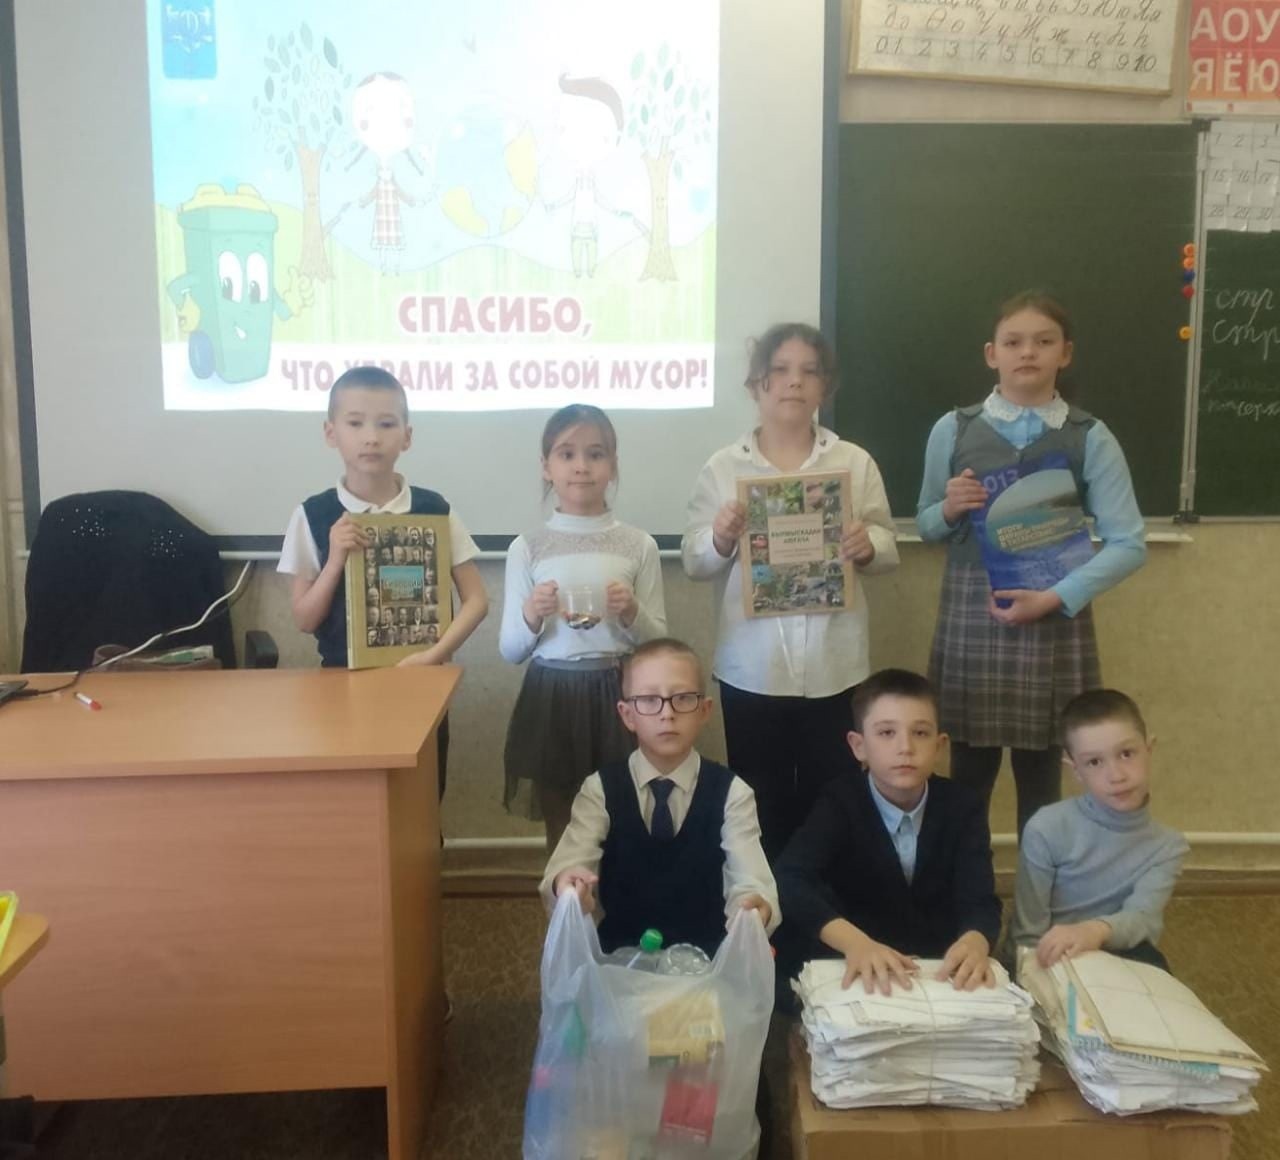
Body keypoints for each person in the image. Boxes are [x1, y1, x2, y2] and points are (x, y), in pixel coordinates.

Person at [916, 291, 1147, 837]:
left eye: (1044, 342)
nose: (1028, 352)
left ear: (1065, 354)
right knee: (968, 773)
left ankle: (1037, 887)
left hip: (1053, 613)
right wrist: (949, 508)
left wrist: (1055, 597)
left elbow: (1129, 543)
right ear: (991, 353)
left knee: (1042, 778)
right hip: (974, 612)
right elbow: (925, 525)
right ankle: (968, 886)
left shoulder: (1091, 436)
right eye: (1014, 341)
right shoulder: (953, 429)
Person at [682, 322, 899, 858]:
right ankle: (767, 906)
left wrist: (866, 545)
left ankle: (824, 906)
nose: (793, 382)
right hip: (752, 669)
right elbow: (693, 561)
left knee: (835, 800)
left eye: (809, 371)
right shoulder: (723, 467)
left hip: (836, 665)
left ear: (826, 386)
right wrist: (720, 538)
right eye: (778, 370)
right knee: (760, 804)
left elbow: (888, 547)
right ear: (755, 385)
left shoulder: (853, 463)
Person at [278, 365, 489, 799]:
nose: (371, 437)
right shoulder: (312, 514)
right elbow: (303, 618)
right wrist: (335, 559)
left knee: (421, 800)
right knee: (352, 801)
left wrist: (434, 656)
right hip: (342, 685)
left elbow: (477, 600)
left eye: (386, 424)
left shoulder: (435, 509)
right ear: (331, 433)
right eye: (355, 423)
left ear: (407, 437)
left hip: (421, 684)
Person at [541, 637, 778, 955]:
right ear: (627, 714)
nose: (667, 713)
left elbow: (750, 877)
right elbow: (569, 864)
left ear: (704, 710)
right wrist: (568, 886)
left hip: (706, 959)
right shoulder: (599, 789)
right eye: (649, 700)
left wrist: (753, 908)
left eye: (682, 698)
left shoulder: (733, 793)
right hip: (618, 958)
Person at [775, 668, 1001, 996]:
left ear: (939, 746)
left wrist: (975, 940)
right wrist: (855, 943)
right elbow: (791, 879)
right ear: (859, 746)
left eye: (920, 733)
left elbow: (981, 899)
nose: (905, 747)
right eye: (886, 733)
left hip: (935, 970)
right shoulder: (840, 801)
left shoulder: (963, 806)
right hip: (853, 963)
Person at [501, 404, 667, 849]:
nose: (581, 466)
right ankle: (563, 895)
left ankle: (621, 896)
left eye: (596, 454)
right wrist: (532, 614)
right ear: (546, 466)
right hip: (552, 694)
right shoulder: (527, 547)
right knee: (562, 821)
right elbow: (511, 650)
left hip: (619, 693)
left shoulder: (639, 544)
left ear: (613, 464)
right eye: (566, 454)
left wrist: (631, 612)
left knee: (624, 818)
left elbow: (658, 643)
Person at [1013, 689, 1187, 972]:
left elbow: (1142, 919)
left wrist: (1093, 931)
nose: (1116, 776)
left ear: (1149, 749)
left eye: (1126, 754)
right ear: (1075, 769)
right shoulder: (1047, 828)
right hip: (1050, 958)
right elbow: (1028, 934)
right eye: (1094, 762)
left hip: (1119, 955)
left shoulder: (1168, 846)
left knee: (1156, 967)